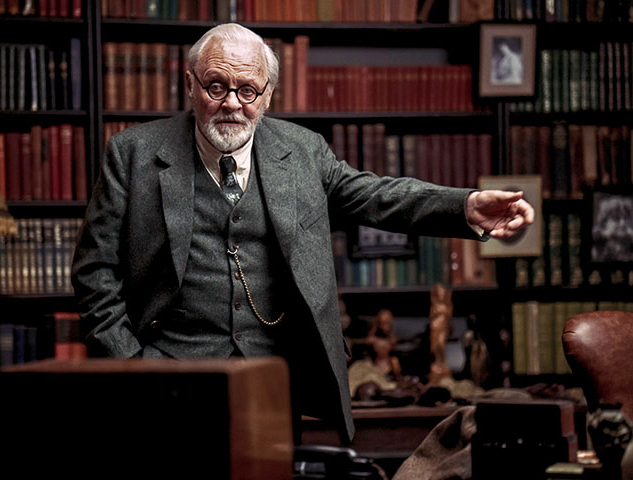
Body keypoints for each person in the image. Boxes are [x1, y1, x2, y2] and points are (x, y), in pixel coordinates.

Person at [71, 23, 535, 444]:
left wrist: (464, 206)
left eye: (247, 90)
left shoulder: (303, 151)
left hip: (274, 381)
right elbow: (95, 274)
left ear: (268, 95)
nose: (231, 102)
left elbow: (376, 195)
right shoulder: (132, 154)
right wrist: (130, 364)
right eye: (216, 86)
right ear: (190, 84)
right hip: (166, 382)